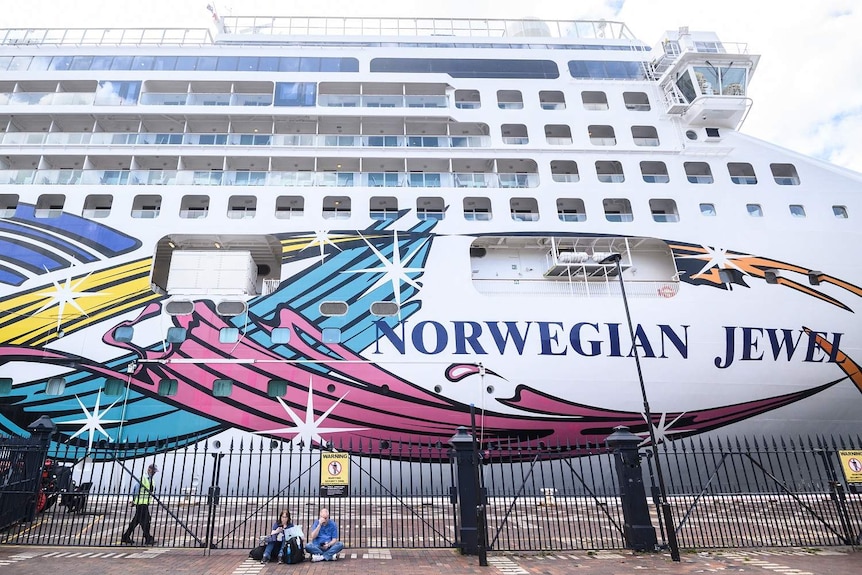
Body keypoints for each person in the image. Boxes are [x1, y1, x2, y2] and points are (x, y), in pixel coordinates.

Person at [121, 462, 158, 545]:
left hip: (145, 503)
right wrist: (134, 500)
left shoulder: (151, 480)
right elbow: (135, 489)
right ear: (149, 470)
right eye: (153, 471)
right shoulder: (143, 478)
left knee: (137, 521)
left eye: (155, 471)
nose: (154, 473)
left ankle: (125, 536)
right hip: (141, 503)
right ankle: (148, 538)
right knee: (145, 521)